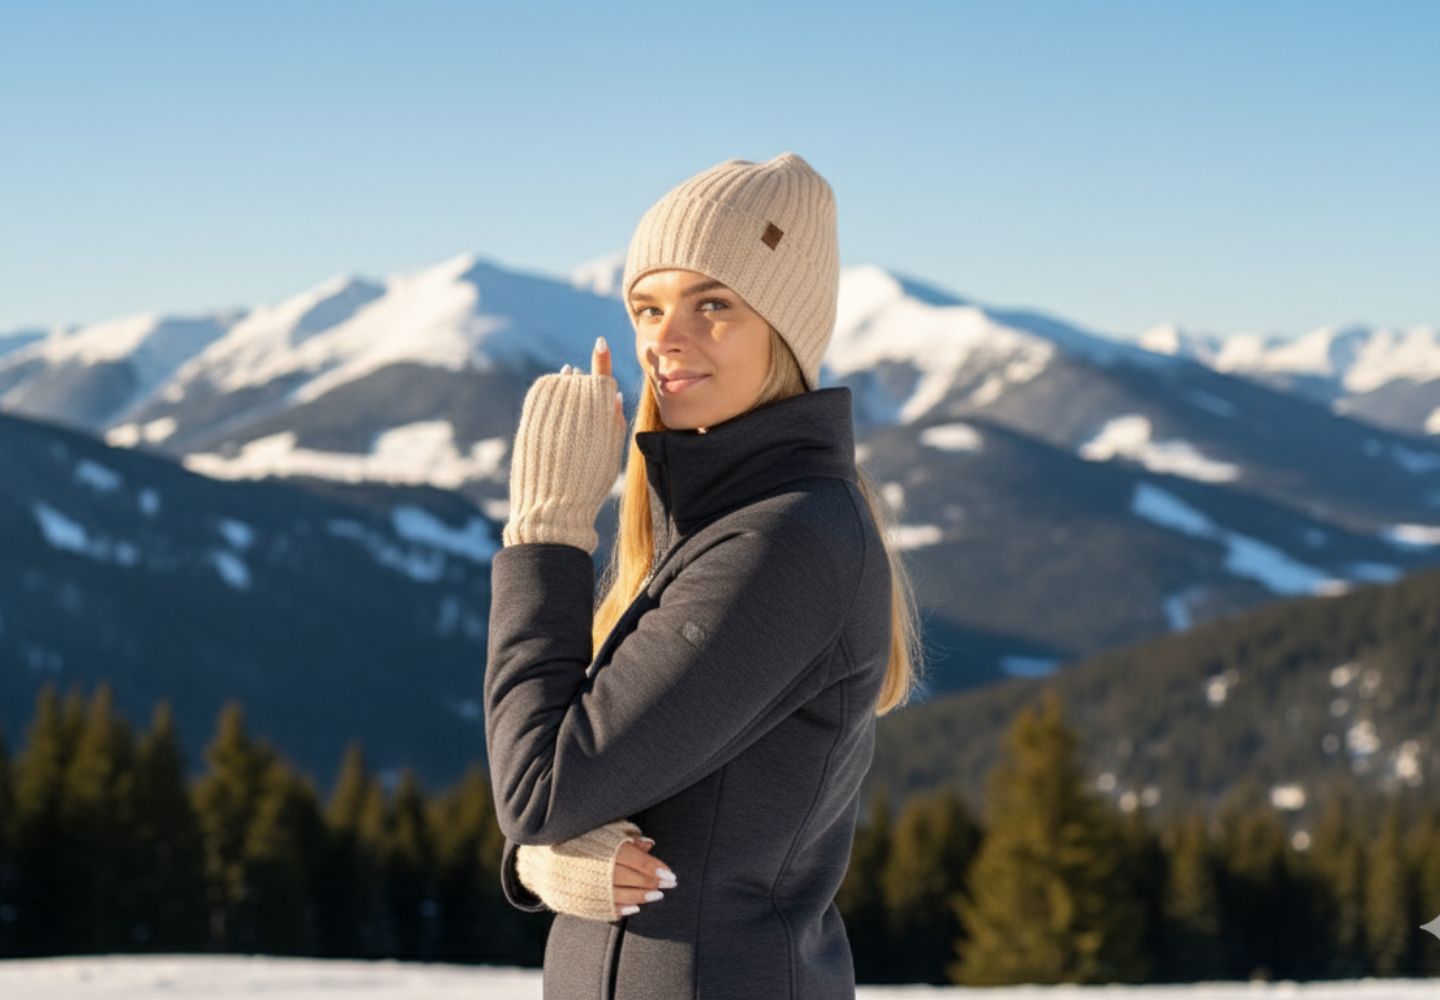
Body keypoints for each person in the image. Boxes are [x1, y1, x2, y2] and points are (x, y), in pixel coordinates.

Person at [484, 151, 924, 999]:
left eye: (713, 305)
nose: (666, 339)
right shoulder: (717, 525)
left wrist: (547, 529)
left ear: (785, 330)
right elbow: (568, 780)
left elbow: (540, 789)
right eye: (647, 308)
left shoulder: (781, 542)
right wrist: (543, 856)